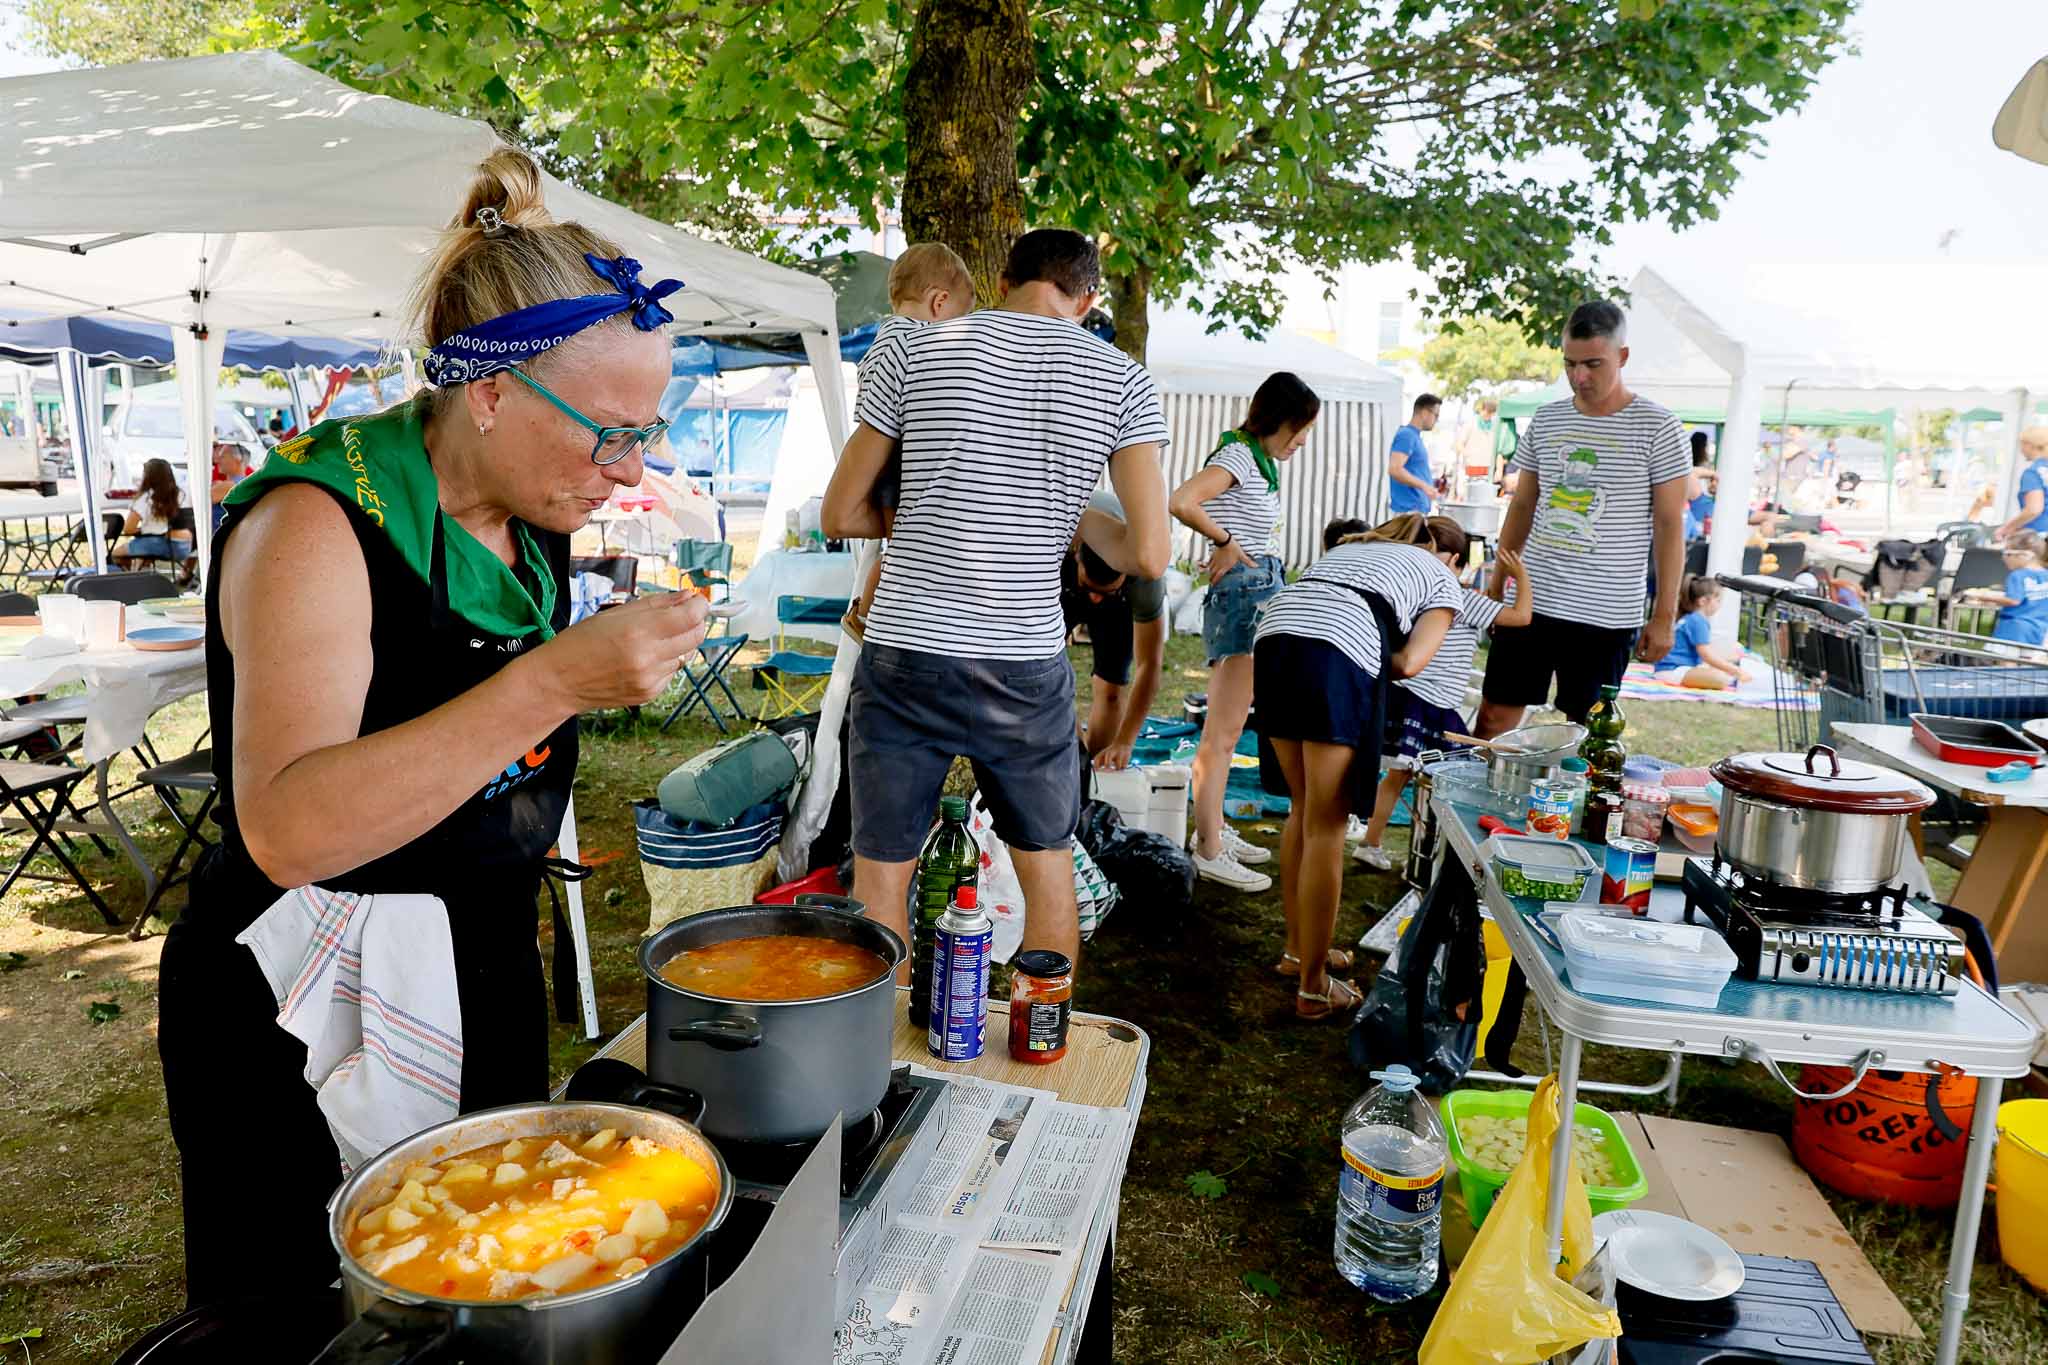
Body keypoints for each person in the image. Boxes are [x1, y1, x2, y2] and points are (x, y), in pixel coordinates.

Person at [155, 149, 710, 1308]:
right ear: (492, 392)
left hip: (476, 956)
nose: (630, 468)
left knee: (482, 1279)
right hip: (301, 993)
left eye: (647, 431)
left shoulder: (531, 508)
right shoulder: (318, 524)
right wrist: (554, 683)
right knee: (315, 1311)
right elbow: (289, 830)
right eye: (610, 431)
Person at [822, 228, 1169, 970]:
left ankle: (879, 1072)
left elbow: (841, 512)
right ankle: (1041, 1047)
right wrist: (1055, 510)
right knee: (1046, 867)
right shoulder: (1122, 378)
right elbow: (1148, 553)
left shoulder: (914, 347)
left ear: (1004, 276)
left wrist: (932, 511)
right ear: (1087, 299)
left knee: (883, 875)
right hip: (1022, 661)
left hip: (907, 643)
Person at [1253, 513, 1461, 1018]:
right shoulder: (1439, 576)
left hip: (1275, 636)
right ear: (1438, 548)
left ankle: (1300, 953)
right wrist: (1365, 654)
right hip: (1333, 653)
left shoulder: (1348, 551)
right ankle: (1313, 987)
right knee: (1327, 824)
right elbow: (1411, 663)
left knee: (1303, 810)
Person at [1477, 301, 1689, 735]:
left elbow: (1669, 527)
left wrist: (1664, 615)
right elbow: (1522, 506)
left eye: (1593, 364)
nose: (1580, 376)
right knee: (1494, 718)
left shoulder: (1658, 426)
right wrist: (1497, 582)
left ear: (1622, 357)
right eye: (1570, 364)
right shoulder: (1549, 417)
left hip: (1607, 613)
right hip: (1530, 601)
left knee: (1585, 732)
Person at [1168, 371, 1321, 892]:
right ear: (1279, 419)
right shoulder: (1236, 457)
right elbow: (1182, 500)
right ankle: (1208, 847)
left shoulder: (1255, 459)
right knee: (1223, 733)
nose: (1303, 442)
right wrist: (1227, 540)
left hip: (1257, 589)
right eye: (1300, 429)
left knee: (1230, 731)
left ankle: (1213, 830)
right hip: (1245, 596)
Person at [1355, 529, 1532, 869]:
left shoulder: (1411, 590)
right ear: (1457, 561)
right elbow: (1521, 617)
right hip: (1430, 703)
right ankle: (1423, 859)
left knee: (1398, 777)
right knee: (1441, 786)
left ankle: (1374, 842)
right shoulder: (1460, 596)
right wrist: (1521, 577)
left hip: (1406, 696)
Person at [844, 243, 976, 639]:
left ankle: (869, 612)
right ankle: (866, 616)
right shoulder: (914, 344)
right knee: (902, 551)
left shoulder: (884, 337)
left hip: (884, 461)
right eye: (961, 317)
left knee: (895, 548)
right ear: (939, 302)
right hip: (898, 463)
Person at [1063, 490, 1168, 771]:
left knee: (1111, 691)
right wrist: (1068, 730)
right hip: (1062, 583)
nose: (1095, 600)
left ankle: (1093, 778)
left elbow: (1150, 664)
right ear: (1077, 558)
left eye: (1105, 593)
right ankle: (1070, 765)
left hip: (1119, 605)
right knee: (1041, 682)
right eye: (1090, 589)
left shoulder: (1145, 574)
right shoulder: (1055, 545)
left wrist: (1124, 741)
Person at [1650, 575, 1753, 689]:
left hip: (1671, 669)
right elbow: (1706, 655)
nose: (1720, 605)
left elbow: (1706, 652)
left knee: (1720, 668)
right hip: (1673, 671)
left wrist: (1732, 660)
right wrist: (1736, 671)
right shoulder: (1698, 621)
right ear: (1703, 601)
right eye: (1718, 601)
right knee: (1721, 678)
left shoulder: (1692, 618)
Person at [112, 458, 194, 567]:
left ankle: (130, 579)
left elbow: (128, 529)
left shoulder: (146, 498)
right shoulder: (182, 494)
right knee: (146, 547)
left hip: (164, 544)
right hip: (187, 546)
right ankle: (144, 573)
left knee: (115, 554)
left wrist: (142, 530)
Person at [1989, 531, 2048, 647]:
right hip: (2040, 628)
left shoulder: (2018, 575)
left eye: (2008, 554)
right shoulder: (2046, 575)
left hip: (2014, 628)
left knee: (2006, 662)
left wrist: (1982, 597)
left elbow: (2014, 600)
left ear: (2025, 555)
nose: (2004, 559)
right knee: (2029, 662)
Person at [1388, 394, 1441, 514]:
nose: (1437, 420)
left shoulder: (1414, 436)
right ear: (1424, 412)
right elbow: (1395, 469)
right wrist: (1425, 486)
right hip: (1408, 512)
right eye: (1436, 415)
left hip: (1414, 511)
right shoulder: (1407, 435)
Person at [1996, 427, 2048, 541]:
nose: (2021, 450)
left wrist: (2007, 528)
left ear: (2030, 445)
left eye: (2022, 445)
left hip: (2038, 536)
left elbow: (2034, 509)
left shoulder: (2033, 473)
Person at [208, 439, 249, 533]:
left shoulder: (231, 485)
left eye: (223, 456)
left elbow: (199, 501)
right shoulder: (241, 482)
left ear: (238, 459)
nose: (217, 460)